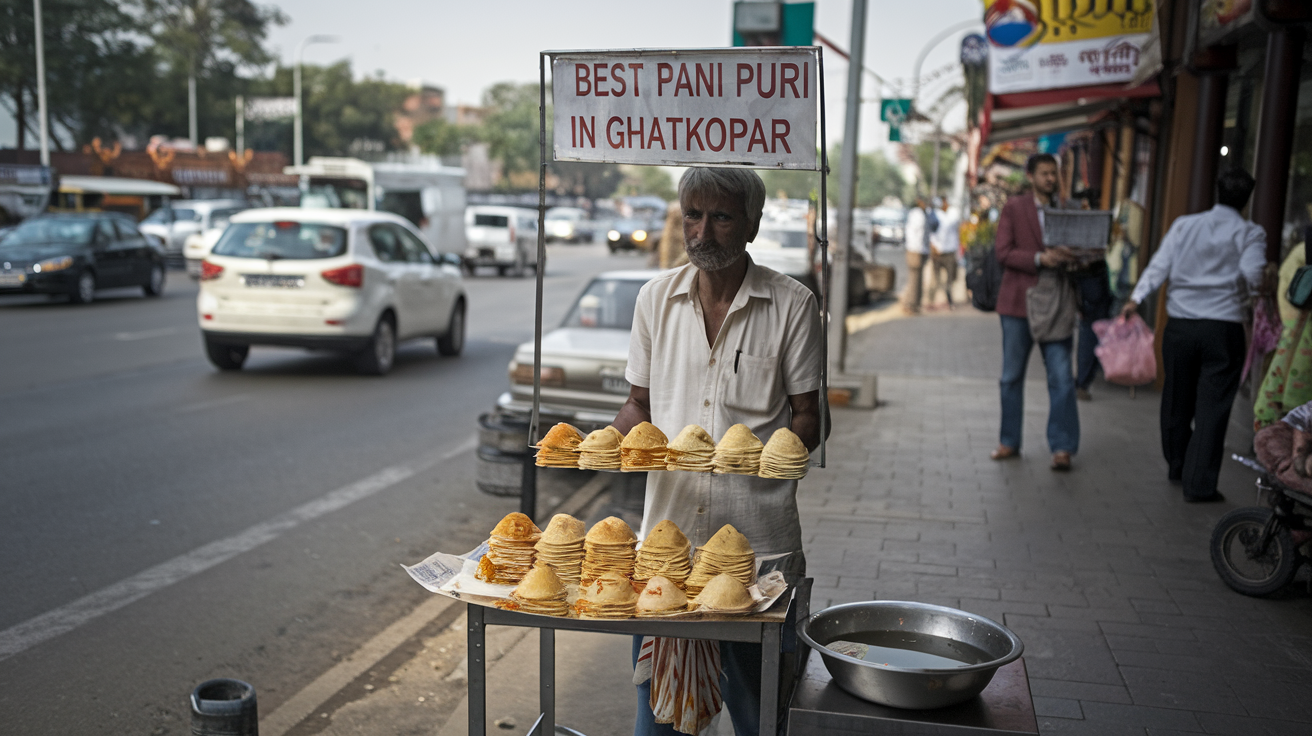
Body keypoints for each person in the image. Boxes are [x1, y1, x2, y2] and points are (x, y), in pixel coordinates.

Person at [614, 167, 824, 736]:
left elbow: (811, 417)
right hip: (667, 551)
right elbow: (639, 404)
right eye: (693, 215)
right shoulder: (654, 299)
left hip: (761, 557)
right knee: (659, 721)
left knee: (762, 718)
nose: (703, 232)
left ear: (752, 224)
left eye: (722, 217)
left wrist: (769, 454)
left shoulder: (792, 305)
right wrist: (609, 445)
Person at [1121, 168, 1266, 502]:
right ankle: (1199, 484)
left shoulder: (1185, 225)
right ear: (1247, 199)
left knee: (1176, 396)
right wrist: (1251, 295)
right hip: (1223, 326)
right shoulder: (1251, 232)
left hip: (1181, 325)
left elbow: (1160, 264)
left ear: (1217, 191)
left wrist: (1137, 297)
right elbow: (1253, 273)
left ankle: (1177, 464)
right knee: (1213, 407)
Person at [991, 153, 1080, 470]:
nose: (1050, 179)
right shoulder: (1015, 208)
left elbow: (1083, 252)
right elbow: (1003, 252)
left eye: (1053, 174)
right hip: (1017, 303)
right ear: (1030, 176)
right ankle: (1009, 441)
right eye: (1044, 174)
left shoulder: (1068, 210)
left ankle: (1062, 446)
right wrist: (1041, 259)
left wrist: (1075, 255)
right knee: (1011, 377)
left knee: (1061, 378)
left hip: (1056, 301)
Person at [1071, 189, 1113, 401]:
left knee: (1090, 330)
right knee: (1091, 330)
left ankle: (1083, 381)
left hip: (1093, 280)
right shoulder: (1094, 222)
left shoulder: (1090, 222)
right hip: (1092, 280)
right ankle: (1082, 382)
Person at [928, 198, 961, 309]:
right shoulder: (935, 214)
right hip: (937, 251)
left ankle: (950, 301)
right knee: (935, 278)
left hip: (949, 251)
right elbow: (931, 231)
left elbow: (949, 225)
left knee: (950, 278)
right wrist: (933, 245)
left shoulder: (952, 213)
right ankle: (930, 301)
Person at [903, 197, 931, 314]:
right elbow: (915, 233)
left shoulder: (924, 214)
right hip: (915, 250)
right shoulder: (917, 215)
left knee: (918, 280)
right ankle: (911, 305)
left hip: (920, 250)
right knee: (914, 280)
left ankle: (916, 305)